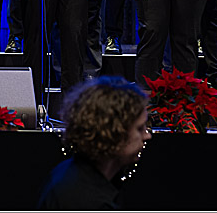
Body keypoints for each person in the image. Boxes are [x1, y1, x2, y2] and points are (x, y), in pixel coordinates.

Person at [37, 76, 149, 210]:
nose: (147, 136)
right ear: (113, 133)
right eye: (140, 128)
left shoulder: (70, 172)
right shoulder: (89, 201)